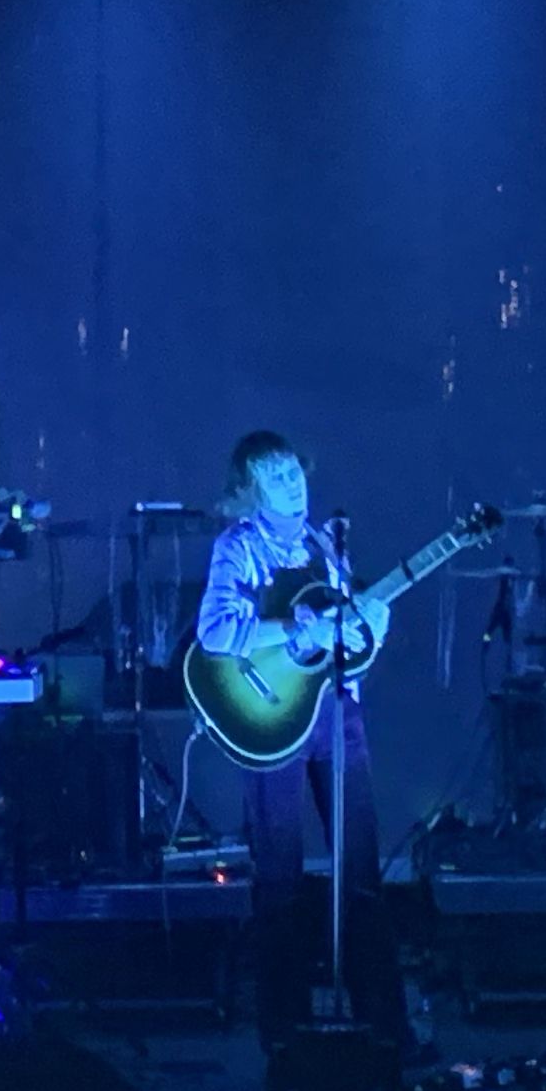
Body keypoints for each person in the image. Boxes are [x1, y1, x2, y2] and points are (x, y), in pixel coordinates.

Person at [192, 430, 396, 1041]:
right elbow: (215, 631)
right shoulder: (237, 546)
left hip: (335, 712)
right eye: (275, 477)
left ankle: (382, 1025)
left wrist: (369, 628)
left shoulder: (324, 544)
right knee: (278, 873)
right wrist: (291, 629)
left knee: (361, 870)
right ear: (250, 492)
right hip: (270, 717)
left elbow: (346, 644)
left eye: (293, 472)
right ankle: (286, 1030)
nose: (291, 484)